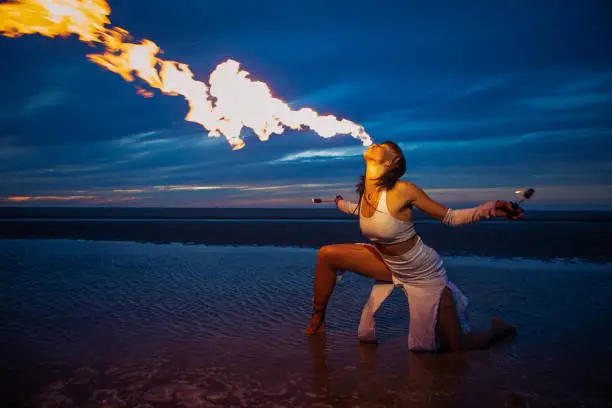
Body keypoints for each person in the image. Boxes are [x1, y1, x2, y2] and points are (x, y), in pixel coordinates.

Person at [304, 141, 521, 352]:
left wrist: (491, 209)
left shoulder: (404, 190)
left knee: (456, 346)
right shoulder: (367, 194)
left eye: (382, 147)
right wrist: (340, 203)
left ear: (392, 161)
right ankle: (317, 320)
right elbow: (360, 210)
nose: (374, 145)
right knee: (327, 255)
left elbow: (450, 217)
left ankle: (499, 332)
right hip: (389, 264)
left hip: (423, 273)